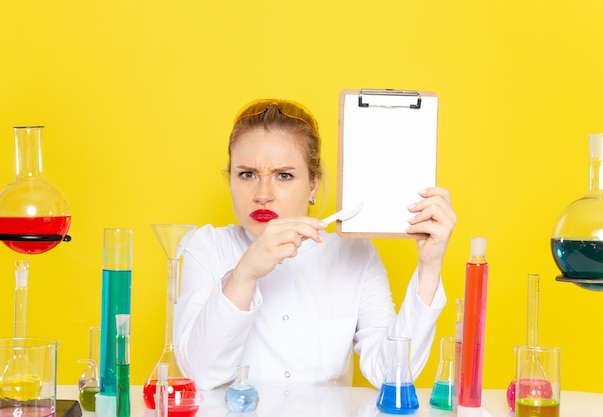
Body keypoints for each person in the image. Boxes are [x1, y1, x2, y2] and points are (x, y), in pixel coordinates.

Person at [174, 99, 456, 390]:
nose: (262, 194)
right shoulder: (205, 246)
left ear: (313, 185)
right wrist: (244, 273)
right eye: (247, 174)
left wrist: (430, 265)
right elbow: (200, 375)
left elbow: (390, 375)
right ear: (230, 178)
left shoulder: (355, 253)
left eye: (284, 175)